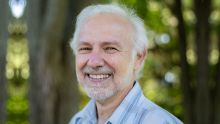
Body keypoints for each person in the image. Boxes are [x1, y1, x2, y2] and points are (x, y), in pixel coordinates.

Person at [69, 3, 183, 124]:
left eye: (110, 48)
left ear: (138, 57)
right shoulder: (78, 121)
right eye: (85, 48)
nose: (94, 62)